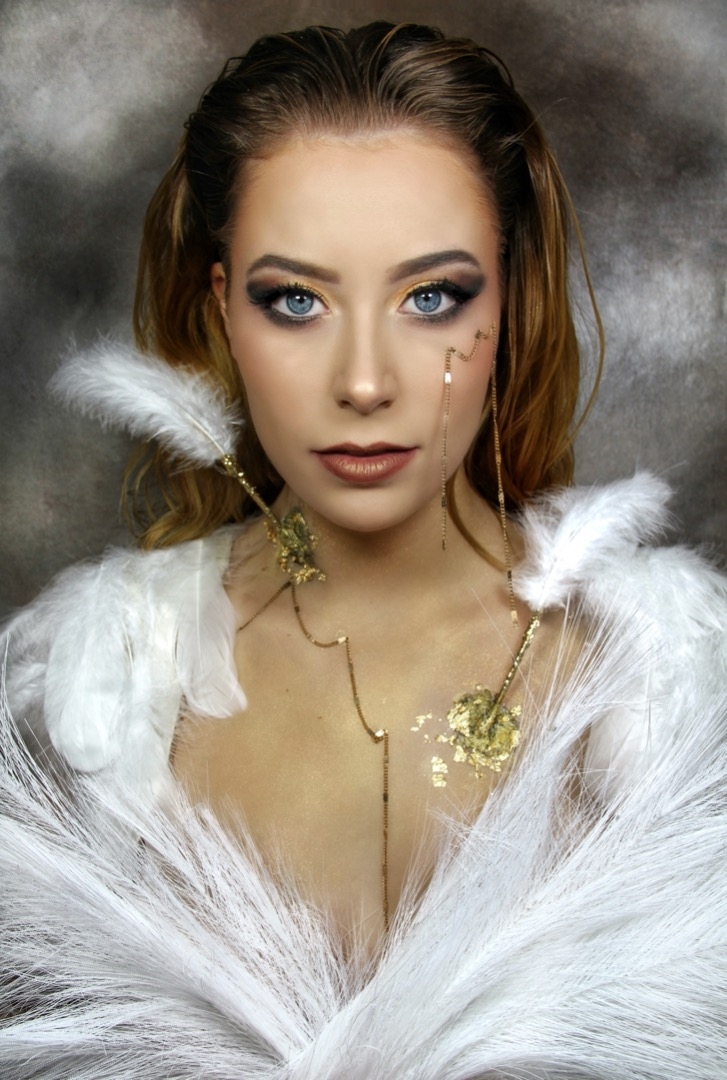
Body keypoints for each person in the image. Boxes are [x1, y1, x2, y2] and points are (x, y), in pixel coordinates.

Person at [1, 21, 725, 1079]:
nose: (365, 382)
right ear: (221, 307)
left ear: (510, 300)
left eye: (431, 297)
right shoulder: (106, 680)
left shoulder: (652, 671)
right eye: (295, 300)